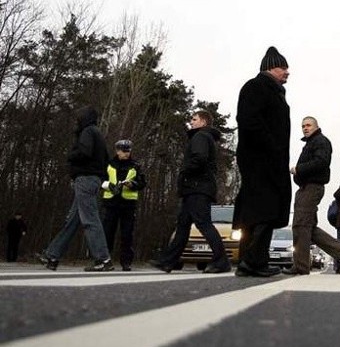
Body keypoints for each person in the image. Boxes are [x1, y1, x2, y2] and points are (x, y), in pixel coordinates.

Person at [233, 46, 292, 277]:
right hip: (261, 160)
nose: (287, 72)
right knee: (264, 210)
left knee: (257, 211)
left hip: (268, 159)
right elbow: (250, 121)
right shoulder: (256, 87)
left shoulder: (274, 92)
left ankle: (252, 261)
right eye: (283, 67)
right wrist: (272, 148)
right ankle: (252, 261)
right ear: (270, 68)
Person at [149, 110, 231, 274]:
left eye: (194, 119)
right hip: (194, 187)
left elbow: (199, 159)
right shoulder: (206, 138)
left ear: (203, 122)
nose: (191, 122)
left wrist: (184, 170)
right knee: (183, 225)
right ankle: (168, 261)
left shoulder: (200, 137)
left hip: (197, 187)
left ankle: (222, 261)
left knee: (203, 223)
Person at [38, 106, 114, 271]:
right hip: (93, 180)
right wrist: (101, 178)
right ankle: (52, 255)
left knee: (90, 220)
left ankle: (103, 259)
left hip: (85, 179)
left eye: (79, 117)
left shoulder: (87, 132)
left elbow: (84, 153)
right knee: (72, 221)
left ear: (84, 118)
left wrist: (70, 156)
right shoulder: (98, 134)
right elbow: (106, 159)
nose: (77, 120)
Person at [284, 117, 340, 275]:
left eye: (308, 125)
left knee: (300, 225)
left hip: (312, 188)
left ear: (316, 127)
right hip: (305, 188)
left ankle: (300, 266)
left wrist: (298, 169)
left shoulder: (320, 141)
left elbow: (321, 162)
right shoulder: (310, 143)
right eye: (303, 126)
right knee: (309, 227)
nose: (305, 128)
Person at [101, 139, 146, 271]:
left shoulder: (136, 165)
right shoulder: (109, 164)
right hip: (111, 203)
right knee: (107, 233)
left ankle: (126, 262)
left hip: (128, 204)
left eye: (128, 151)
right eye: (123, 151)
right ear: (117, 151)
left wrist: (133, 185)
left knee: (127, 235)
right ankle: (104, 259)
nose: (126, 154)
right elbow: (101, 179)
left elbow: (142, 183)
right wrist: (109, 186)